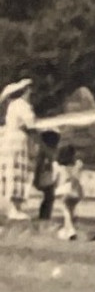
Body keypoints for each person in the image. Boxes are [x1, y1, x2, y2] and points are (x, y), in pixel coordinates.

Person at [0, 78, 37, 221]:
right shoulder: (22, 105)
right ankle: (14, 209)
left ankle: (14, 208)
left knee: (12, 173)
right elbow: (31, 123)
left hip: (10, 140)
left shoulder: (13, 106)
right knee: (16, 173)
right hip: (17, 141)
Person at [54, 143, 84, 240]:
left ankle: (71, 230)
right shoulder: (78, 164)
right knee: (70, 211)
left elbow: (55, 178)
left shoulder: (58, 166)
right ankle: (67, 232)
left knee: (66, 210)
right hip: (77, 190)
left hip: (64, 189)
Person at [33, 130, 60, 224]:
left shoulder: (45, 152)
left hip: (47, 177)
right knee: (49, 197)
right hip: (45, 178)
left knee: (49, 197)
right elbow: (39, 166)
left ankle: (45, 216)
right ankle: (44, 216)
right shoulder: (44, 153)